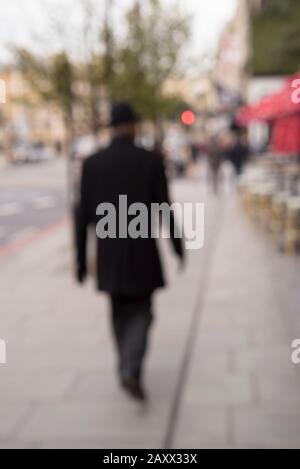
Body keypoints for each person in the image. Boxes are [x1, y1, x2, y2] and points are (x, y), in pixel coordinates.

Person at [75, 102, 184, 401]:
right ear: (133, 126)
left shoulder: (92, 163)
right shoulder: (149, 160)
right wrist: (178, 247)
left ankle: (126, 362)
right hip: (142, 251)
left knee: (118, 311)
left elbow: (82, 216)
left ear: (111, 127)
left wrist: (81, 261)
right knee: (143, 311)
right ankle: (130, 366)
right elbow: (164, 207)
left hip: (109, 253)